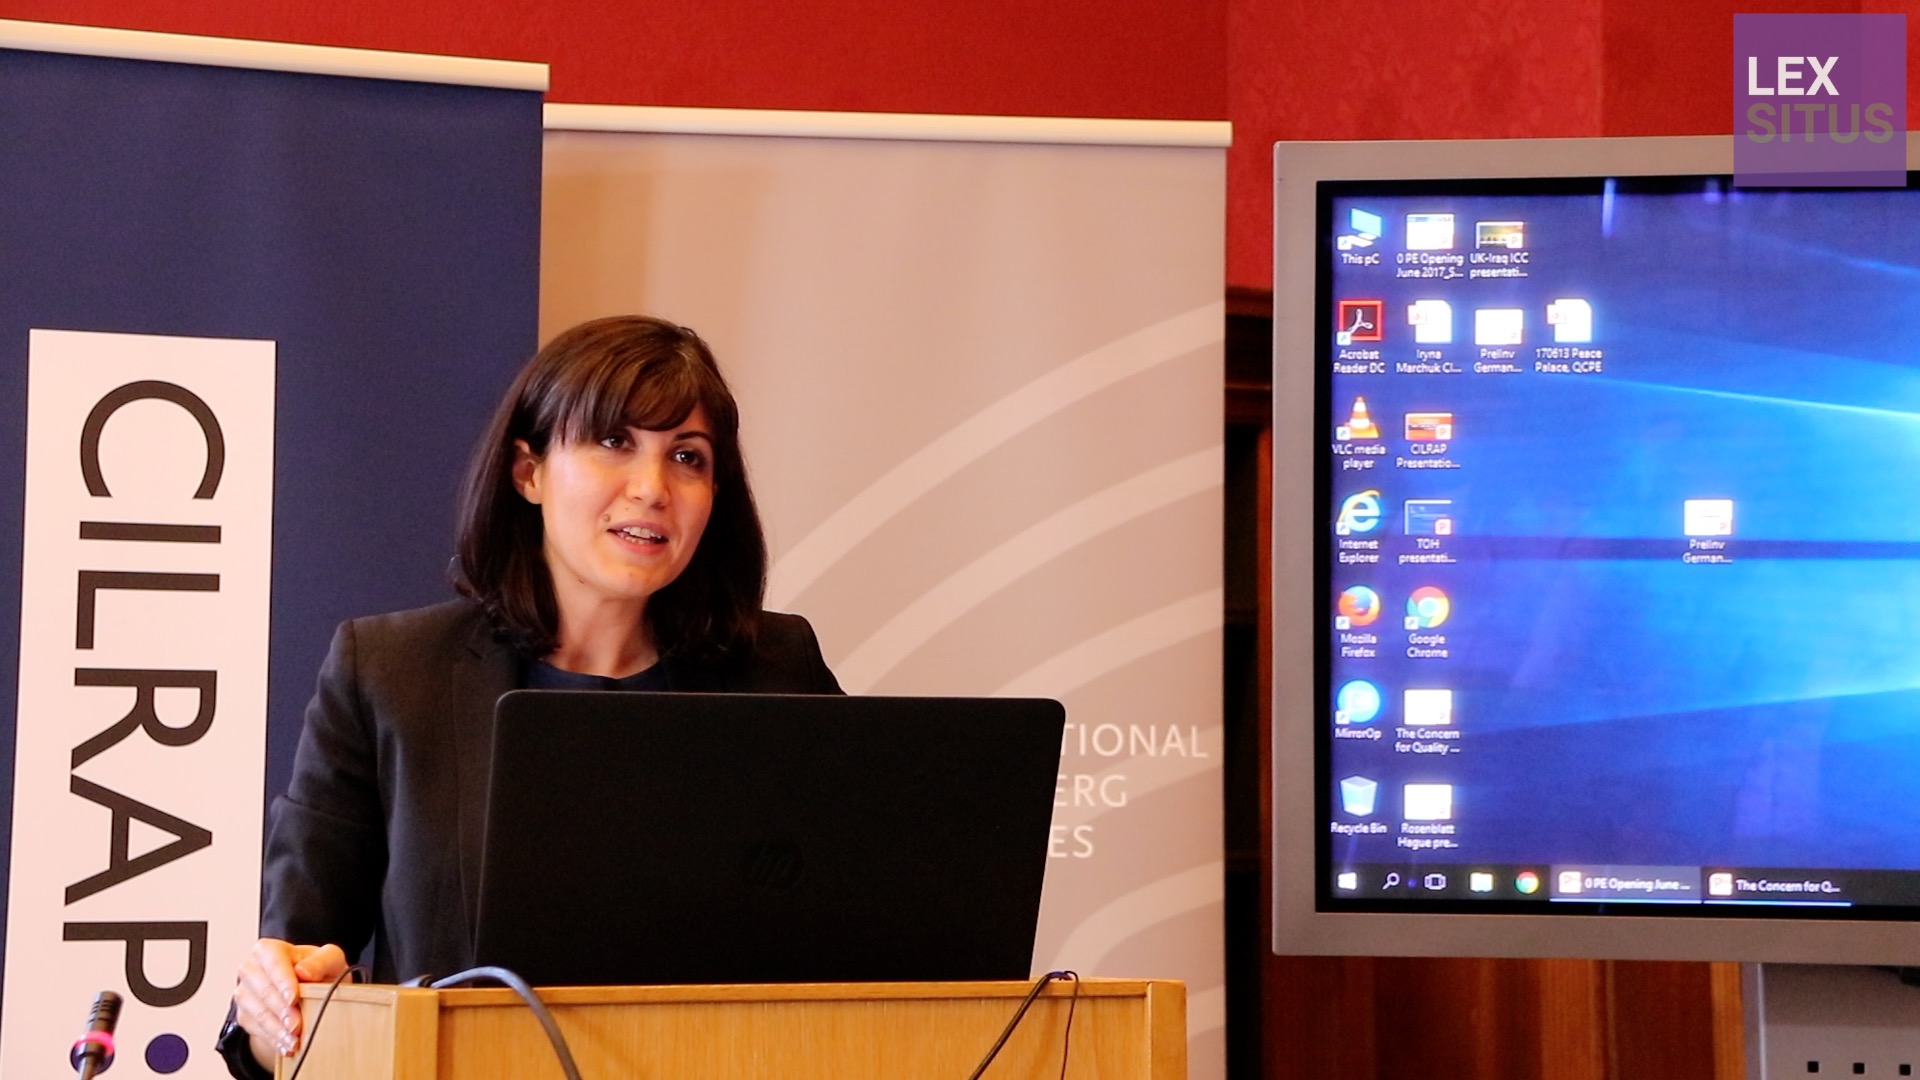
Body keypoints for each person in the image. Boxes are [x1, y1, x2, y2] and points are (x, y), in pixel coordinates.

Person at [216, 316, 841, 1078]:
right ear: (528, 473)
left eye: (687, 457)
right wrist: (283, 1004)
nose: (652, 488)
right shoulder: (388, 674)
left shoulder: (778, 671)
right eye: (614, 442)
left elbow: (870, 936)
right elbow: (283, 995)